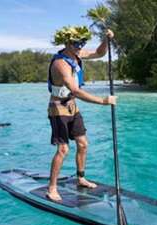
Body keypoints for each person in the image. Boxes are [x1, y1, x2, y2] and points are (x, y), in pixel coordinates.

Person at [45, 26, 116, 202]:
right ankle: (51, 188)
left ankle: (81, 177)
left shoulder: (77, 55)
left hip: (72, 106)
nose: (80, 46)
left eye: (82, 43)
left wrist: (106, 40)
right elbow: (75, 90)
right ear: (67, 43)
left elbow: (99, 53)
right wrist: (103, 101)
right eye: (76, 43)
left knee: (83, 144)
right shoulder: (60, 64)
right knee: (63, 149)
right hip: (58, 108)